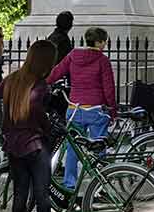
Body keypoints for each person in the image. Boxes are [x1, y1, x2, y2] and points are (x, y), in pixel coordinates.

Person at [0, 40, 70, 212]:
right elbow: (39, 113)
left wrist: (3, 122)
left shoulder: (11, 80)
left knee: (20, 194)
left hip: (13, 145)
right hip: (36, 145)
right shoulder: (40, 86)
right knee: (42, 194)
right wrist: (48, 128)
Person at [47, 27, 116, 189]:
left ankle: (69, 184)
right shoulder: (102, 60)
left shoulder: (73, 55)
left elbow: (56, 73)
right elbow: (109, 89)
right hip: (95, 110)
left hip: (74, 109)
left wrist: (42, 82)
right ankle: (100, 187)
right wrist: (113, 110)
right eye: (104, 41)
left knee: (72, 149)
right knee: (99, 147)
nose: (105, 44)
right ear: (98, 42)